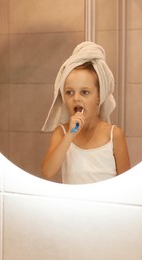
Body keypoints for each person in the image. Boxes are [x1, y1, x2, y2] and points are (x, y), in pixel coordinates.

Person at [41, 41, 130, 184]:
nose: (76, 98)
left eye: (85, 92)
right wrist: (70, 135)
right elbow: (47, 171)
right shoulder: (62, 132)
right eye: (69, 92)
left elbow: (126, 185)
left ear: (99, 98)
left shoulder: (114, 135)